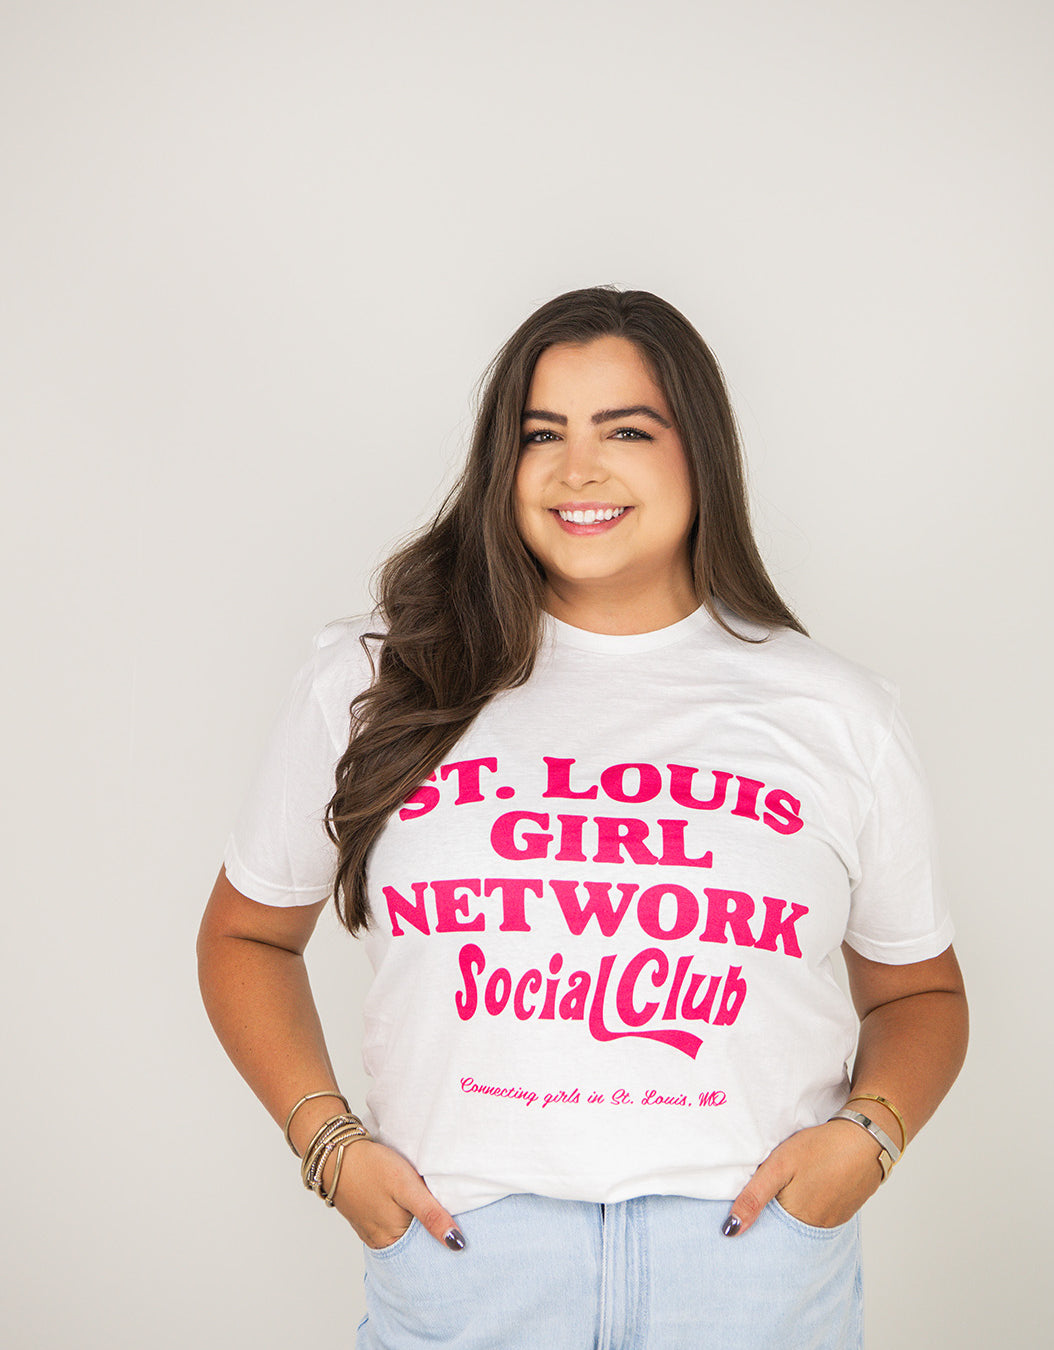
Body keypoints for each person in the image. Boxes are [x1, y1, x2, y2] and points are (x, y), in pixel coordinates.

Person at [197, 285, 968, 1349]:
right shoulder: (381, 676)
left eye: (626, 430)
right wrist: (327, 1145)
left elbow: (920, 992)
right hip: (467, 1261)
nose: (577, 469)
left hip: (750, 1267)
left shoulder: (835, 711)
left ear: (700, 452)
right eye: (540, 434)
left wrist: (866, 1143)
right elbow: (245, 933)